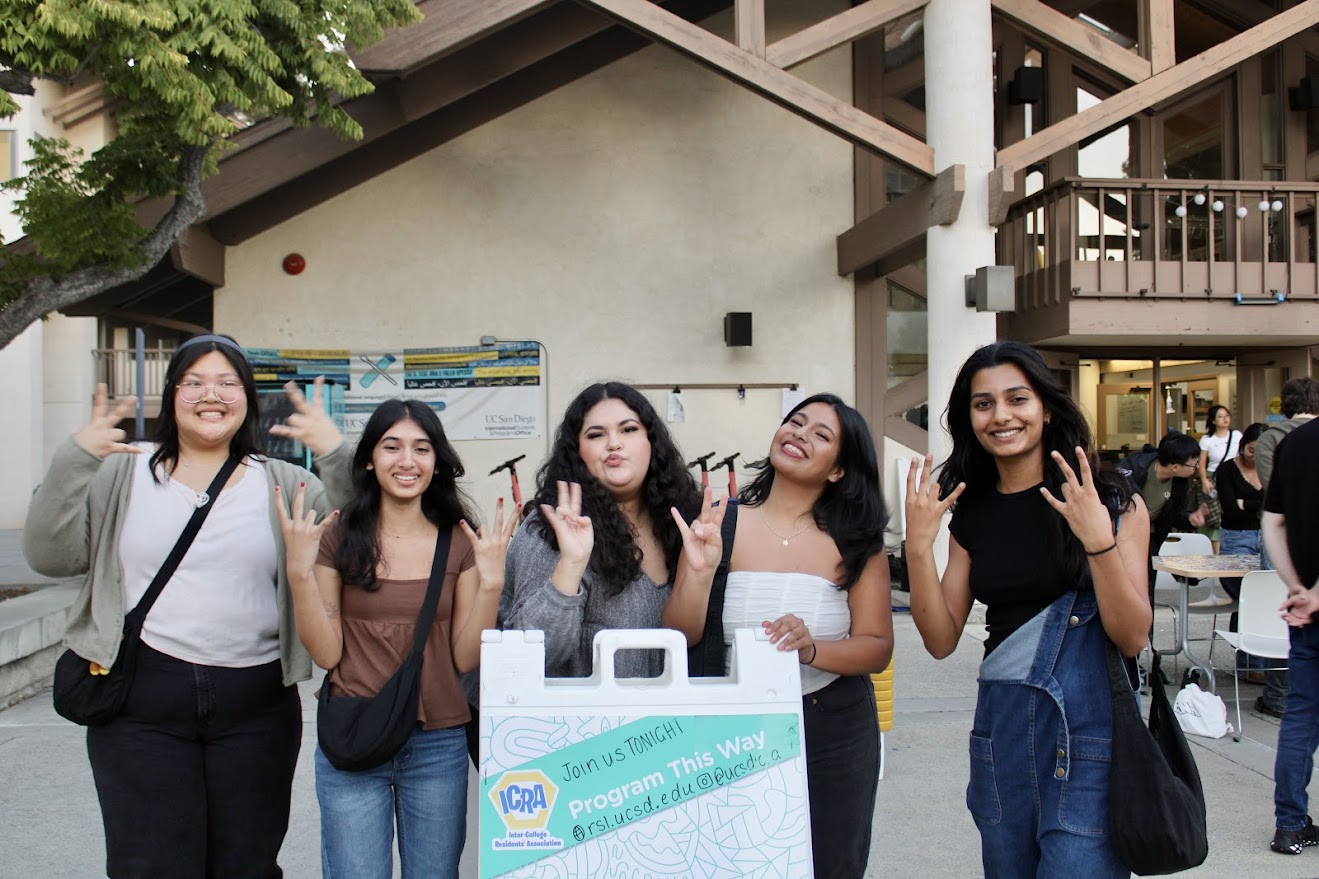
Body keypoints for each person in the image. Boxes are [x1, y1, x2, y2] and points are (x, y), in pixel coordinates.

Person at [23, 334, 351, 878]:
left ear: (246, 396)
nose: (211, 395)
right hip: (140, 699)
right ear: (171, 395)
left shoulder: (286, 483)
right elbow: (50, 556)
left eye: (227, 383)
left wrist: (336, 453)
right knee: (150, 864)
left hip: (256, 703)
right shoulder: (121, 474)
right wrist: (75, 457)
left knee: (246, 865)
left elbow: (359, 543)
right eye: (194, 382)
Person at [904, 341, 1150, 877]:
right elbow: (941, 639)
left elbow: (1132, 637)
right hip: (1005, 730)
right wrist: (917, 547)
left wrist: (1098, 541)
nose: (1002, 416)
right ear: (969, 419)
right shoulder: (973, 512)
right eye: (983, 403)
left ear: (1046, 406)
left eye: (1017, 399)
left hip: (1092, 734)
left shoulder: (1111, 499)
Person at [280, 399, 517, 878]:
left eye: (421, 448)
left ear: (437, 462)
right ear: (369, 458)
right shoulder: (339, 535)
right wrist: (299, 574)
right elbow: (326, 653)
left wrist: (491, 583)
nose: (407, 461)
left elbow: (465, 658)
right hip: (354, 733)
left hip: (437, 744)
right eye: (392, 446)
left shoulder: (461, 541)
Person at [663, 393, 893, 877]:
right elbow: (679, 634)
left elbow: (876, 648)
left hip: (832, 726)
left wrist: (813, 648)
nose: (799, 434)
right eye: (795, 421)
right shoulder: (720, 519)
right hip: (729, 729)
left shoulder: (857, 541)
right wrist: (699, 573)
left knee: (832, 862)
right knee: (730, 862)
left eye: (821, 435)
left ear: (838, 470)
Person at [502, 381, 702, 678]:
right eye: (596, 435)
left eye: (628, 430)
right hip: (583, 721)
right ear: (577, 453)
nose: (614, 443)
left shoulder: (684, 521)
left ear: (652, 441)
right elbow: (529, 659)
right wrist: (571, 565)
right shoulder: (550, 528)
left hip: (672, 720)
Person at [1261, 417, 1319, 855]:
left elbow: (1273, 522)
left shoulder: (1295, 442)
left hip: (1307, 614)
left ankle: (1290, 824)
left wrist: (1299, 588)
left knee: (1300, 716)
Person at [1252, 377, 1319, 716]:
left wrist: (1298, 587)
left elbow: (1272, 504)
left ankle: (1276, 690)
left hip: (1289, 549)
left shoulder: (1273, 440)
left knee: (1273, 610)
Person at [1116, 431, 1203, 601]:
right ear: (1176, 466)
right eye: (1194, 464)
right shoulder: (1132, 469)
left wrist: (1191, 520)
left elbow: (1176, 515)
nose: (1196, 468)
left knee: (1146, 590)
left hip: (1150, 536)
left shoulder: (1179, 481)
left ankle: (1146, 626)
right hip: (1120, 535)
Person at [1214, 422, 1266, 629]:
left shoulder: (1273, 469)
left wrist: (1247, 504)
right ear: (1243, 445)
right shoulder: (1227, 469)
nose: (1255, 456)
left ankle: (1258, 654)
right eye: (1252, 450)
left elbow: (1283, 506)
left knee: (1266, 594)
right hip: (1236, 537)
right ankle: (1246, 654)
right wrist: (1263, 509)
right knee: (1244, 595)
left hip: (1269, 537)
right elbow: (1231, 511)